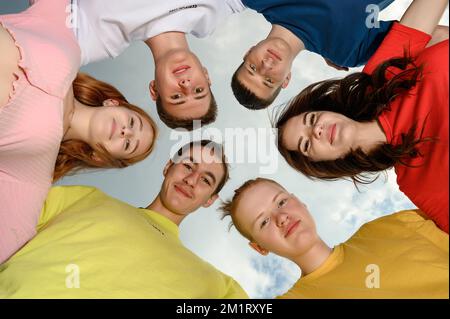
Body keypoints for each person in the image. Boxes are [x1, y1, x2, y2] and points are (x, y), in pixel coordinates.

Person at [0, 0, 158, 263]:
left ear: (100, 157)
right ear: (113, 103)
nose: (126, 133)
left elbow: (11, 237)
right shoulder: (68, 45)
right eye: (132, 123)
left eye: (129, 145)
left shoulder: (35, 172)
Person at [274, 0, 449, 232]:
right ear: (323, 163)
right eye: (306, 144)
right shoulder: (416, 184)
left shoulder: (379, 77)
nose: (316, 131)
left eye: (312, 119)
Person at [0, 140, 248, 299]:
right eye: (188, 166)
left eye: (206, 179)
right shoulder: (86, 197)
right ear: (168, 167)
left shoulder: (214, 283)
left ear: (209, 199)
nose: (191, 179)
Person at [220, 178, 449, 298]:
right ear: (259, 248)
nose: (281, 217)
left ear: (300, 201)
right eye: (263, 222)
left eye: (281, 202)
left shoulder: (389, 226)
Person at [232, 0, 448, 110]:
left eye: (252, 68)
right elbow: (424, 34)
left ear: (248, 51)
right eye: (269, 81)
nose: (265, 67)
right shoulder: (347, 51)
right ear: (286, 79)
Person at [72, 0, 246, 130]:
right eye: (198, 91)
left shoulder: (99, 40)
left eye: (176, 97)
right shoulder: (216, 9)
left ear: (154, 89)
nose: (186, 85)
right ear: (206, 76)